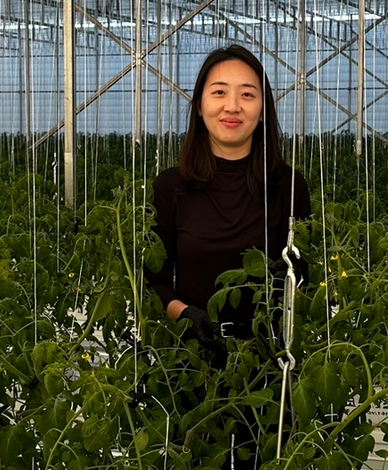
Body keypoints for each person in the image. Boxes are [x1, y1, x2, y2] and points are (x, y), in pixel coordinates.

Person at [145, 44, 311, 468]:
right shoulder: (170, 188)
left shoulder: (288, 185)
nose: (232, 106)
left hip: (268, 365)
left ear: (263, 109)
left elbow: (304, 274)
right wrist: (187, 314)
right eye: (219, 92)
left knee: (265, 458)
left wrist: (294, 280)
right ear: (200, 105)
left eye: (247, 94)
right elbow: (155, 280)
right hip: (192, 363)